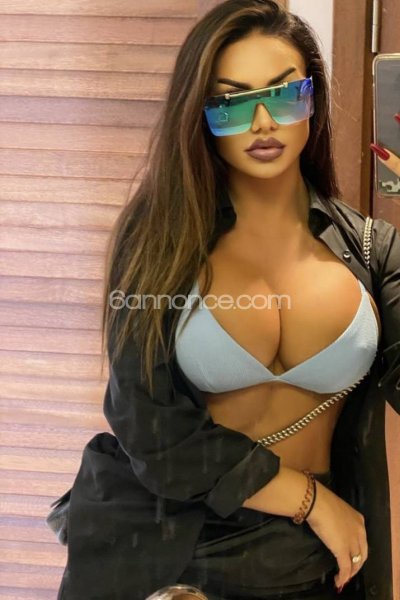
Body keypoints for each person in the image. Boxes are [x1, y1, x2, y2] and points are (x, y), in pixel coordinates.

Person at [55, 1, 400, 598]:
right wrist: (311, 499)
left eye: (283, 95)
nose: (263, 121)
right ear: (201, 114)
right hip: (161, 554)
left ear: (313, 101)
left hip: (307, 563)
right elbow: (147, 424)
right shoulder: (157, 242)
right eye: (233, 102)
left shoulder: (373, 251)